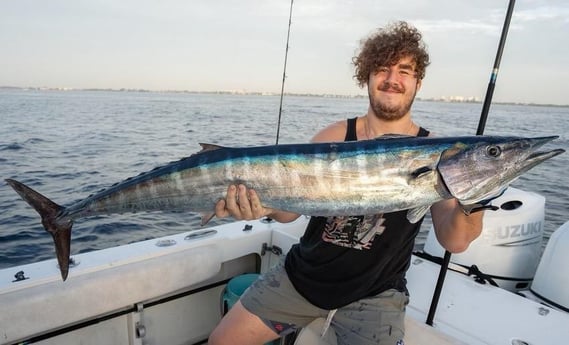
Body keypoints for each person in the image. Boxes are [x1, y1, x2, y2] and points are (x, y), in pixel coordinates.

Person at [209, 21, 488, 345]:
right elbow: (290, 211)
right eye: (382, 69)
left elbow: (454, 241)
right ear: (366, 76)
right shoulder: (335, 136)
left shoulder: (439, 151)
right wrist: (261, 208)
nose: (392, 79)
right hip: (302, 278)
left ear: (418, 81)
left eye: (404, 70)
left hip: (378, 295)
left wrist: (475, 196)